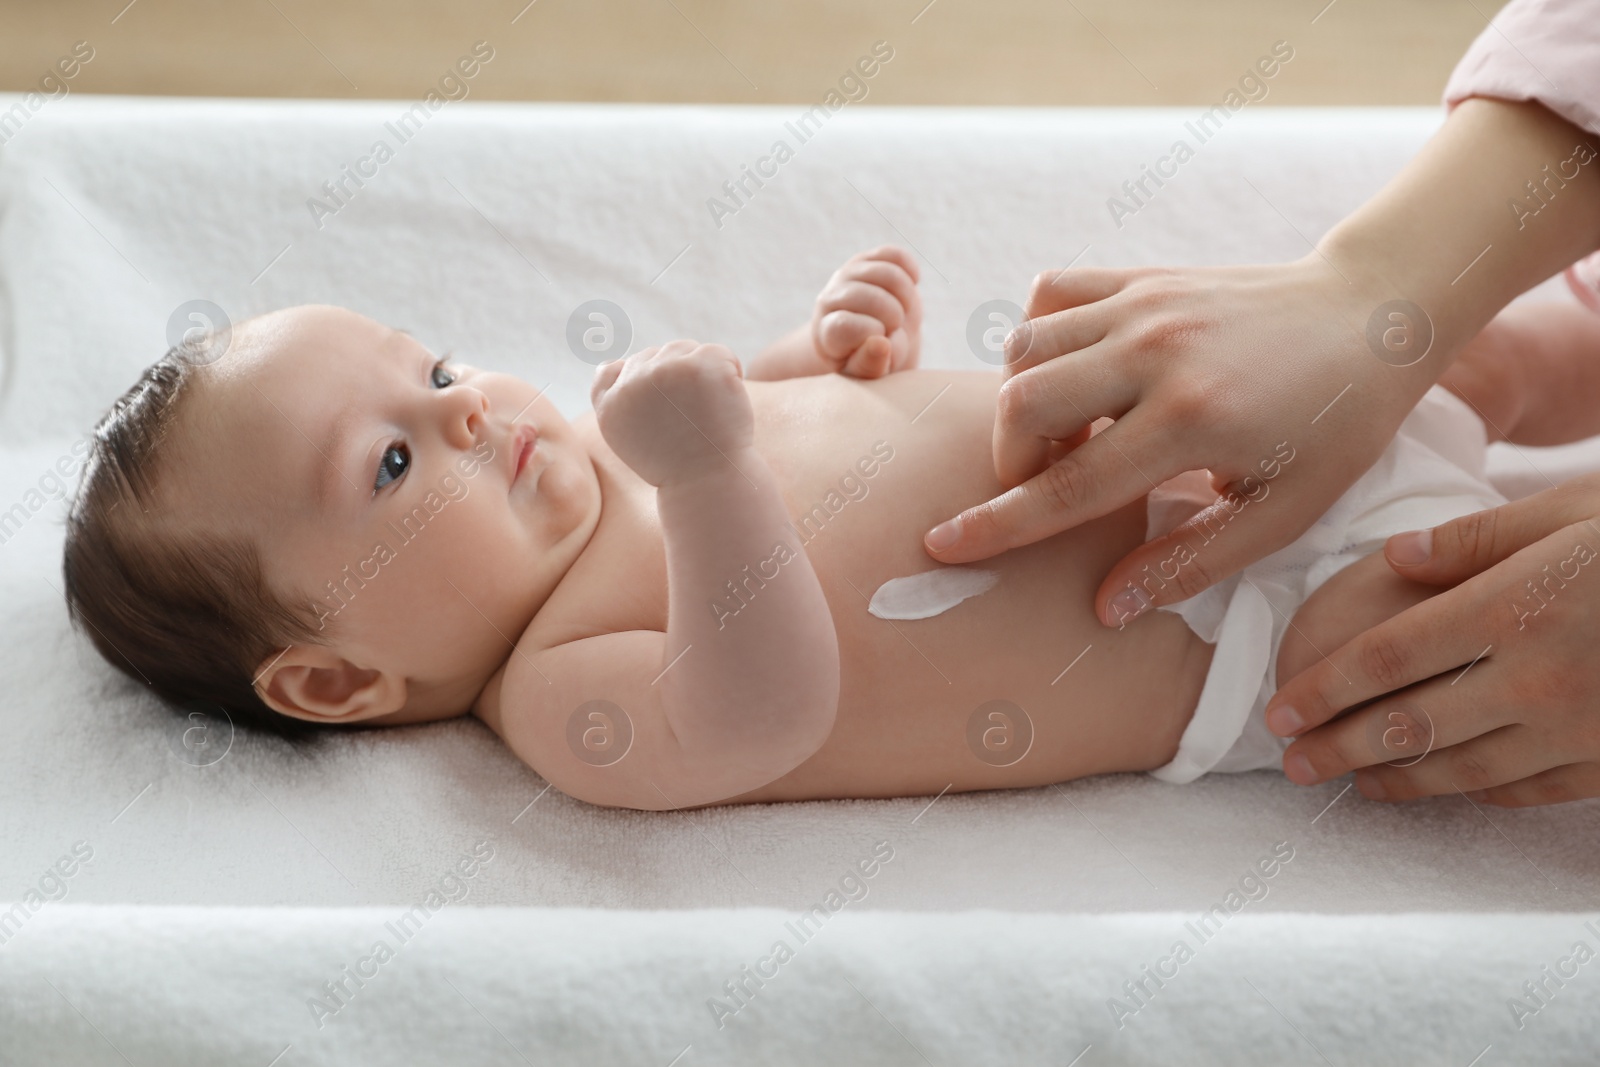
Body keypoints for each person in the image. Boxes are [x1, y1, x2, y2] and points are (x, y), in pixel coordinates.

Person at [922, 0, 1600, 807]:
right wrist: (1380, 292)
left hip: (1333, 605)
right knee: (1481, 375)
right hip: (1402, 406)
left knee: (1394, 649)